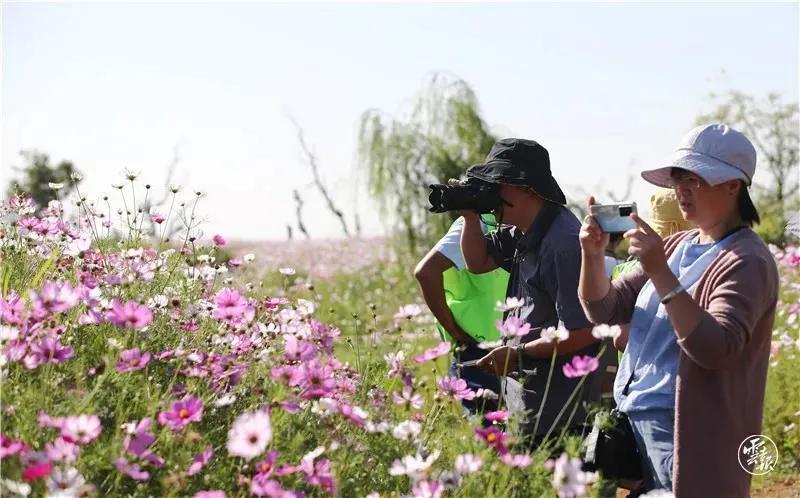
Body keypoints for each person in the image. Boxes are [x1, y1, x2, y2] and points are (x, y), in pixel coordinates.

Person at [578, 123, 779, 498]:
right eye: (677, 180)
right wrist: (592, 256)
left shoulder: (747, 260)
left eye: (695, 180)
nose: (681, 190)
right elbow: (604, 308)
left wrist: (660, 272)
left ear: (733, 185)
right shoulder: (677, 245)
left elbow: (715, 347)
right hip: (634, 417)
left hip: (686, 430)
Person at [458, 138, 602, 448]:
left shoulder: (562, 243)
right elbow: (477, 261)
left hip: (559, 414)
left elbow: (583, 331)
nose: (492, 192)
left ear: (526, 188)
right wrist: (470, 215)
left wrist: (519, 355)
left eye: (498, 184)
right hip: (529, 407)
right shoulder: (525, 229)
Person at [414, 213, 509, 414]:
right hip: (477, 348)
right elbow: (426, 272)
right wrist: (455, 332)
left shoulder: (513, 220)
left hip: (510, 345)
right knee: (489, 432)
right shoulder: (477, 223)